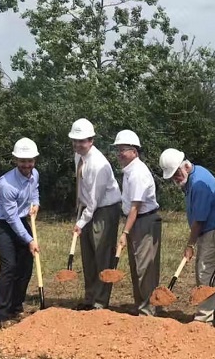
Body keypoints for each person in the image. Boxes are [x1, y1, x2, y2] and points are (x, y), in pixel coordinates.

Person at [159, 148, 215, 324]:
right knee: (206, 272)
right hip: (212, 231)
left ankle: (204, 318)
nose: (175, 179)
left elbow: (199, 220)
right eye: (172, 177)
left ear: (184, 165)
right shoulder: (194, 176)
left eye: (176, 174)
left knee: (206, 272)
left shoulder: (199, 183)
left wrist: (190, 245)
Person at [69, 118, 123, 311]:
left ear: (91, 140)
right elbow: (82, 190)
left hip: (105, 209)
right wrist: (80, 215)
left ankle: (100, 302)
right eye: (74, 140)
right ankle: (89, 297)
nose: (77, 144)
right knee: (88, 255)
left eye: (81, 141)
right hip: (88, 208)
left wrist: (80, 223)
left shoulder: (98, 164)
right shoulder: (79, 156)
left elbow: (94, 199)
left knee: (102, 254)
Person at [0, 138, 41, 328]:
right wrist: (29, 239)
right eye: (22, 161)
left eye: (30, 161)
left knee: (26, 264)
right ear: (15, 160)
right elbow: (11, 219)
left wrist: (36, 204)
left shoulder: (34, 174)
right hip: (2, 223)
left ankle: (16, 307)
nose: (27, 165)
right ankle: (2, 314)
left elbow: (34, 193)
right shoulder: (6, 184)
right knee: (9, 266)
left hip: (21, 219)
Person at [113, 129, 161, 317]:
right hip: (136, 221)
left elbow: (135, 207)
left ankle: (148, 311)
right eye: (118, 150)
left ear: (134, 150)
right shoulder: (129, 171)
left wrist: (124, 233)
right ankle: (141, 306)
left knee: (145, 268)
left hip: (145, 221)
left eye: (123, 150)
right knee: (136, 266)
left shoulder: (138, 173)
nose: (119, 154)